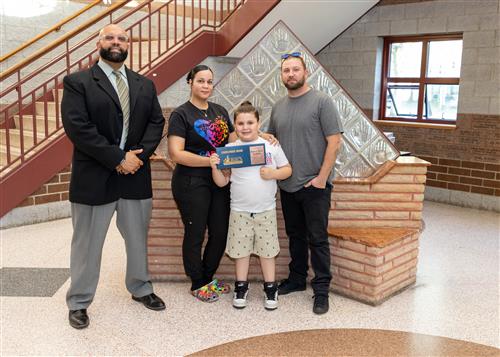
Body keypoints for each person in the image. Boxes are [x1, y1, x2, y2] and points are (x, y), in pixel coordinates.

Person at [62, 24, 166, 329]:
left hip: (135, 176)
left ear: (129, 44)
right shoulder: (78, 82)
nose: (116, 42)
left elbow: (155, 123)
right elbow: (78, 128)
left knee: (137, 239)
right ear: (99, 43)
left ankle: (141, 288)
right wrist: (118, 158)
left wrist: (137, 158)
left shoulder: (144, 84)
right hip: (94, 176)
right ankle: (79, 301)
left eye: (122, 38)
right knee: (87, 243)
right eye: (110, 37)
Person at [267, 52, 343, 315]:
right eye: (286, 70)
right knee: (295, 236)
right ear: (282, 76)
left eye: (295, 69)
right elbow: (271, 140)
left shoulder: (322, 102)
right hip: (288, 186)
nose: (291, 74)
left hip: (315, 186)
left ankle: (321, 290)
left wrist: (322, 178)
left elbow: (334, 141)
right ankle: (297, 279)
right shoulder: (278, 107)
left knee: (318, 239)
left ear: (305, 72)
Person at [209, 102, 292, 310]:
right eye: (240, 123)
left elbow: (287, 169)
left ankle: (270, 287)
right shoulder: (230, 150)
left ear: (258, 124)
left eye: (250, 122)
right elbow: (221, 182)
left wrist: (273, 174)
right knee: (241, 252)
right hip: (239, 211)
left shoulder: (271, 146)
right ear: (235, 126)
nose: (245, 127)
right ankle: (241, 286)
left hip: (266, 210)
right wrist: (214, 166)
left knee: (267, 252)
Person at [167, 65, 236, 302]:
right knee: (195, 232)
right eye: (200, 81)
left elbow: (235, 142)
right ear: (190, 83)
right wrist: (210, 162)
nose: (206, 86)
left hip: (219, 181)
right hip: (190, 182)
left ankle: (208, 278)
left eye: (209, 82)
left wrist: (262, 137)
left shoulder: (220, 111)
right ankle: (197, 283)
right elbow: (176, 154)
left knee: (220, 232)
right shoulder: (181, 114)